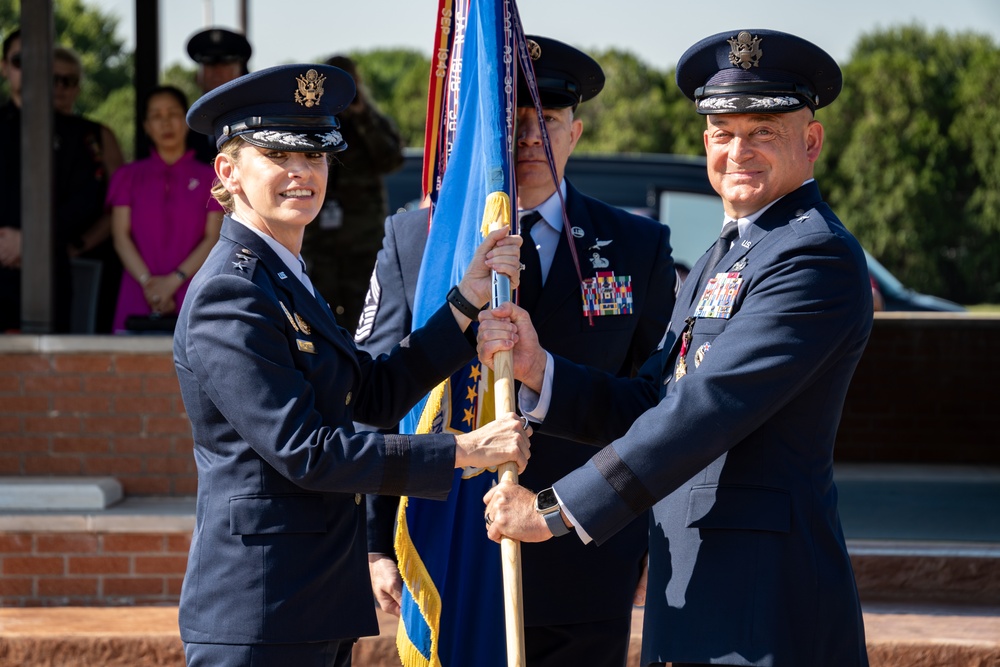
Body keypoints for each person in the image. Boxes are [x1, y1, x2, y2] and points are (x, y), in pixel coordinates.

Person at [479, 29, 873, 667]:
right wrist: (540, 369)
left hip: (762, 601)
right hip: (695, 587)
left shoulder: (812, 254)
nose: (737, 151)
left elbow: (705, 407)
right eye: (722, 132)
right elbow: (655, 397)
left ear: (812, 141)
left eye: (764, 131)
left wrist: (554, 511)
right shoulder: (731, 251)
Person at [174, 62, 530, 666]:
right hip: (260, 610)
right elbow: (306, 450)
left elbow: (370, 393)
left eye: (314, 158)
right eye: (279, 156)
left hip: (309, 605)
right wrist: (464, 451)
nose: (301, 173)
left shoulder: (285, 278)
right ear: (228, 172)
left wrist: (465, 303)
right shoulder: (229, 294)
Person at [358, 36, 675, 666]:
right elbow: (379, 395)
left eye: (548, 121)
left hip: (586, 557)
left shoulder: (636, 246)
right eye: (514, 123)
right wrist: (374, 542)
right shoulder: (418, 239)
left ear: (576, 132)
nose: (529, 140)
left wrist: (649, 541)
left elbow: (662, 408)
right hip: (446, 555)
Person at [0, 29, 106, 333]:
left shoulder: (77, 134)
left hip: (49, 273)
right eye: (21, 61)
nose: (30, 69)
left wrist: (31, 239)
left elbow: (89, 200)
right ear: (4, 67)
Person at [108, 85, 223, 333]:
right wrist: (149, 284)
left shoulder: (212, 177)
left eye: (172, 114)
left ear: (186, 120)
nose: (166, 123)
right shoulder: (127, 176)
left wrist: (172, 282)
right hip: (138, 292)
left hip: (193, 291)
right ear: (146, 126)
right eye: (156, 116)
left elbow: (213, 237)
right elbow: (120, 237)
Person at [300, 54, 404, 329]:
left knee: (366, 319)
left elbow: (392, 159)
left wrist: (362, 117)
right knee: (321, 317)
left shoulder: (368, 120)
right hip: (319, 244)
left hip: (362, 244)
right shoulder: (312, 119)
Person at [54, 44, 126, 333]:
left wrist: (78, 246)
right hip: (23, 259)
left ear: (78, 87)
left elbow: (121, 207)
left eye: (69, 81)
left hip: (89, 255)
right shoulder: (12, 129)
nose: (60, 87)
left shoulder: (98, 135)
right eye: (53, 79)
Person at [185, 27, 252, 163]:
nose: (217, 70)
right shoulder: (183, 129)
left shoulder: (256, 120)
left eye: (226, 62)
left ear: (241, 72)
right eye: (209, 62)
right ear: (198, 76)